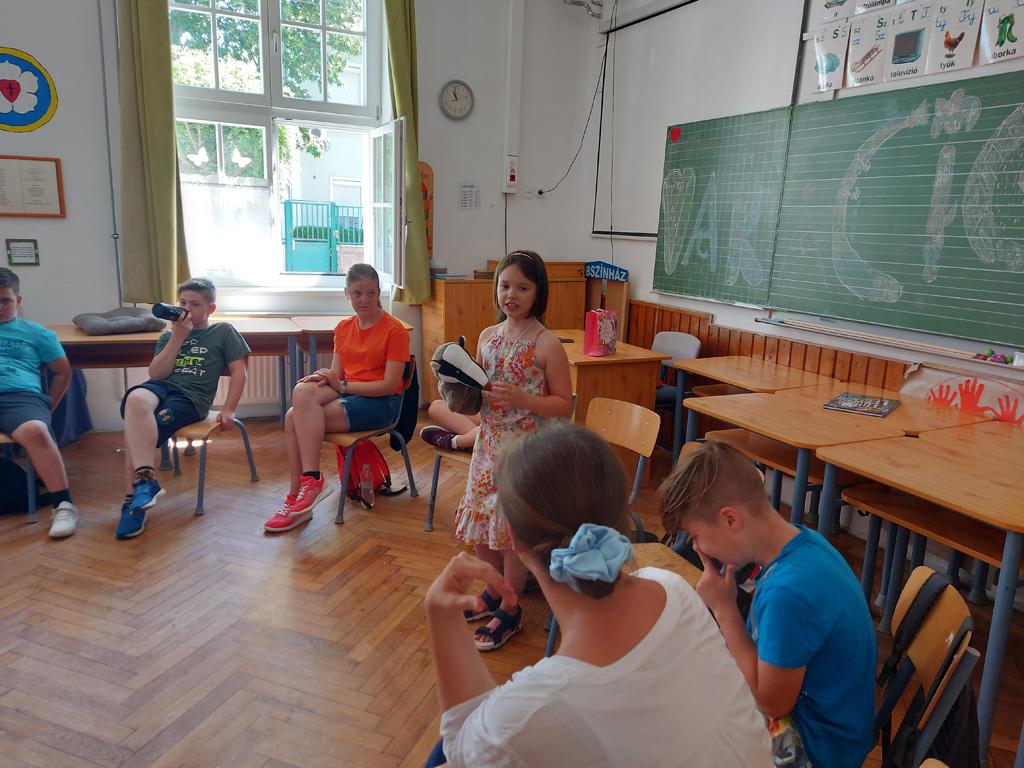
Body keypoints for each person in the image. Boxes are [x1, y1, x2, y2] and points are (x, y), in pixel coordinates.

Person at [424, 422, 772, 767]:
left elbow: (461, 752)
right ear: (621, 512)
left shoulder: (519, 718)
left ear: (512, 537)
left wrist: (441, 616)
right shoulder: (672, 587)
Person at [660, 441, 877, 768]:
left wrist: (725, 609)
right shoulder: (804, 541)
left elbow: (772, 703)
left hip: (817, 751)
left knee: (675, 726)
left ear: (730, 519)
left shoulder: (788, 593)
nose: (698, 549)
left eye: (695, 536)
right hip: (832, 729)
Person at [454, 250, 573, 651]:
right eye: (505, 286)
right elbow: (478, 390)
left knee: (512, 533)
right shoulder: (488, 336)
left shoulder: (547, 343)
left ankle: (510, 607)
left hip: (526, 451)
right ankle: (492, 591)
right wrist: (458, 386)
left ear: (538, 292)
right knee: (482, 525)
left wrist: (524, 399)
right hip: (488, 444)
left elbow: (564, 405)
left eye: (523, 287)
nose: (512, 295)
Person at [263, 264, 410, 533]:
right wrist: (321, 379)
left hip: (382, 403)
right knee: (300, 396)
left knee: (295, 419)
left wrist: (341, 385)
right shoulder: (343, 328)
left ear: (378, 293)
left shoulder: (394, 330)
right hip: (350, 392)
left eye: (370, 293)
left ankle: (306, 487)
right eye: (357, 294)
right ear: (347, 294)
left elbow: (389, 385)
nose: (364, 300)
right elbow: (336, 376)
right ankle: (302, 492)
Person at [116, 277, 249, 539]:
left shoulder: (223, 331)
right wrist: (177, 338)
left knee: (135, 431)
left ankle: (133, 502)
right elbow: (156, 374)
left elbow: (239, 372)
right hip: (162, 388)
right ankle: (145, 483)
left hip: (191, 398)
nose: (186, 309)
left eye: (195, 304)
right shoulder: (169, 335)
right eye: (183, 303)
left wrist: (229, 409)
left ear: (210, 309)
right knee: (135, 399)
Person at [0, 268, 78, 538]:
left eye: (5, 300)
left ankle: (63, 505)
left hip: (20, 397)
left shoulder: (37, 333)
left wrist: (47, 407)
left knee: (36, 430)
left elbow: (63, 371)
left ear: (18, 301)